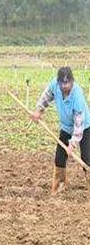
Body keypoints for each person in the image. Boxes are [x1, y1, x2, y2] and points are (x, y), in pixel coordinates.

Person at [31, 66, 90, 194]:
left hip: (84, 127)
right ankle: (59, 188)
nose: (65, 86)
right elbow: (46, 96)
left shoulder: (77, 96)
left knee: (87, 159)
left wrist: (72, 144)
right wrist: (38, 110)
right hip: (66, 127)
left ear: (72, 81)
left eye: (68, 83)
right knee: (59, 157)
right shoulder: (55, 85)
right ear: (58, 82)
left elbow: (79, 124)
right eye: (62, 83)